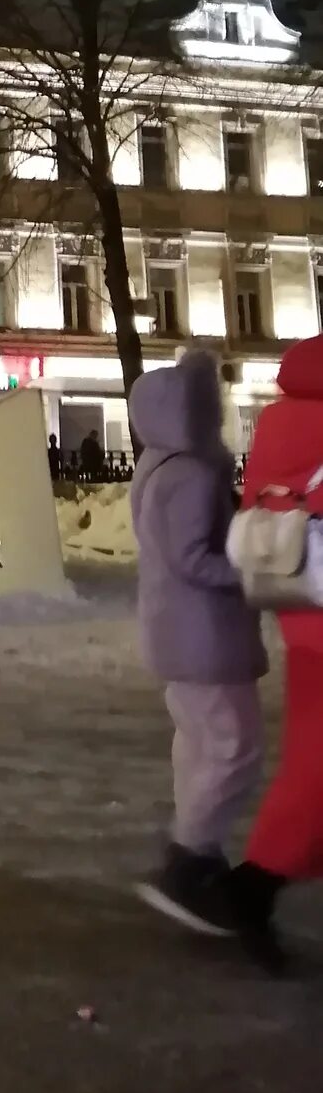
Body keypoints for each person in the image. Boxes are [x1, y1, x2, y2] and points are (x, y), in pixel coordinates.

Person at [130, 349, 267, 934]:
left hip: (178, 634)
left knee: (201, 744)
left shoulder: (158, 467)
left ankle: (196, 855)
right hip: (206, 634)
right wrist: (251, 571)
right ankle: (190, 858)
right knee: (235, 746)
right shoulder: (190, 472)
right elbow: (194, 559)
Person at [229, 330, 323, 969]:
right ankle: (253, 885)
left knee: (312, 752)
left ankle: (261, 881)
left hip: (299, 597)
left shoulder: (279, 418)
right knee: (314, 766)